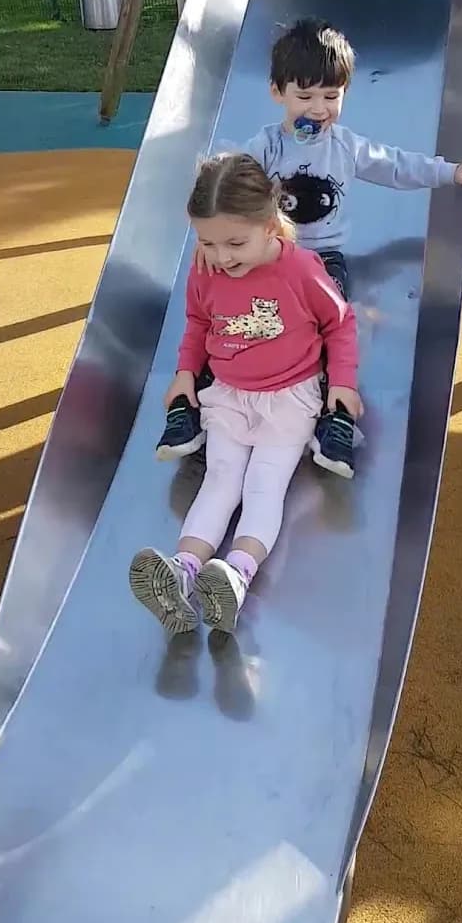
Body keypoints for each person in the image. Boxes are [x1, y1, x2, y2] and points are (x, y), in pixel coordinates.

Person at [156, 19, 462, 475]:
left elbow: (395, 166)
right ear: (278, 92)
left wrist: (450, 172)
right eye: (305, 96)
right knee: (232, 320)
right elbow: (222, 187)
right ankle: (191, 407)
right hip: (265, 256)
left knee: (329, 323)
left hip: (320, 258)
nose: (319, 107)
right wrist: (210, 240)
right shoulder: (266, 148)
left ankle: (337, 418)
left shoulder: (346, 148)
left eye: (331, 97)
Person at [130, 151, 360, 635]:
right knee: (219, 479)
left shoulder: (301, 269)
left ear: (271, 224)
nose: (221, 256)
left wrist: (342, 381)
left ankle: (236, 574)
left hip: (289, 399)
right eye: (207, 242)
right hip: (230, 396)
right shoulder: (205, 268)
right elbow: (196, 323)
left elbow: (340, 324)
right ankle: (183, 569)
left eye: (235, 242)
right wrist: (186, 372)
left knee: (263, 486)